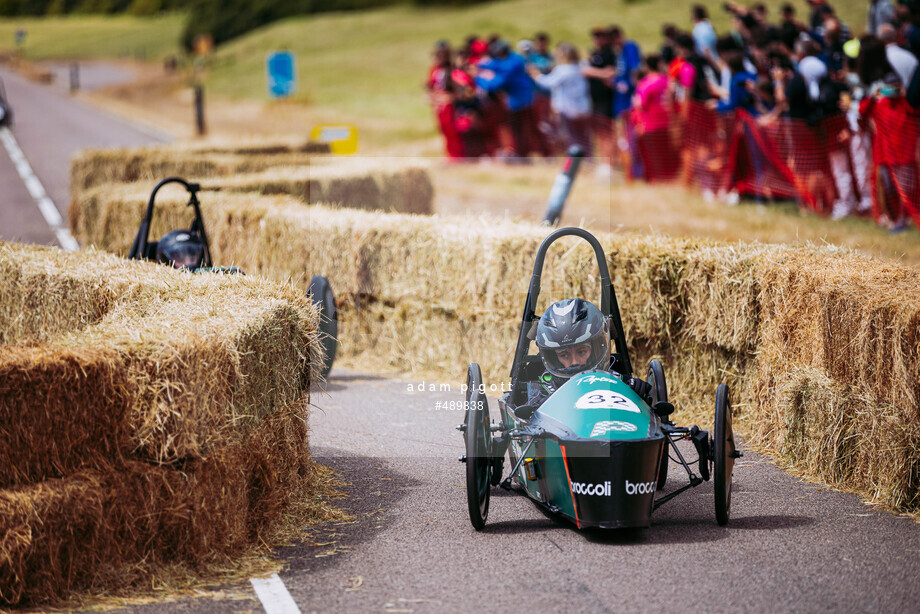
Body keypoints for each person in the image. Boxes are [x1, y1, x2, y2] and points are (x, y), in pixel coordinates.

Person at [524, 298, 651, 412]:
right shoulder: (541, 387)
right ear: (552, 357)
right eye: (564, 355)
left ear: (598, 348)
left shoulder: (616, 379)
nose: (574, 361)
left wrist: (637, 394)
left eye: (581, 351)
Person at [531, 42, 593, 155]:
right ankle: (588, 158)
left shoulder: (563, 69)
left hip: (568, 108)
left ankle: (576, 161)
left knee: (572, 137)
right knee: (584, 136)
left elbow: (548, 82)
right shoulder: (580, 67)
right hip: (583, 107)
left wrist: (536, 75)